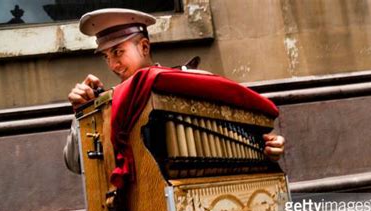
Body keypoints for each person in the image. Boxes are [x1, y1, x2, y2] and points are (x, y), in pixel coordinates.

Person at [64, 8, 285, 174]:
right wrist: (83, 114)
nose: (113, 65)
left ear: (144, 47)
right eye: (107, 57)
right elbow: (77, 165)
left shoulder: (184, 84)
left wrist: (268, 145)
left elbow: (237, 134)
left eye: (118, 52)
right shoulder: (110, 103)